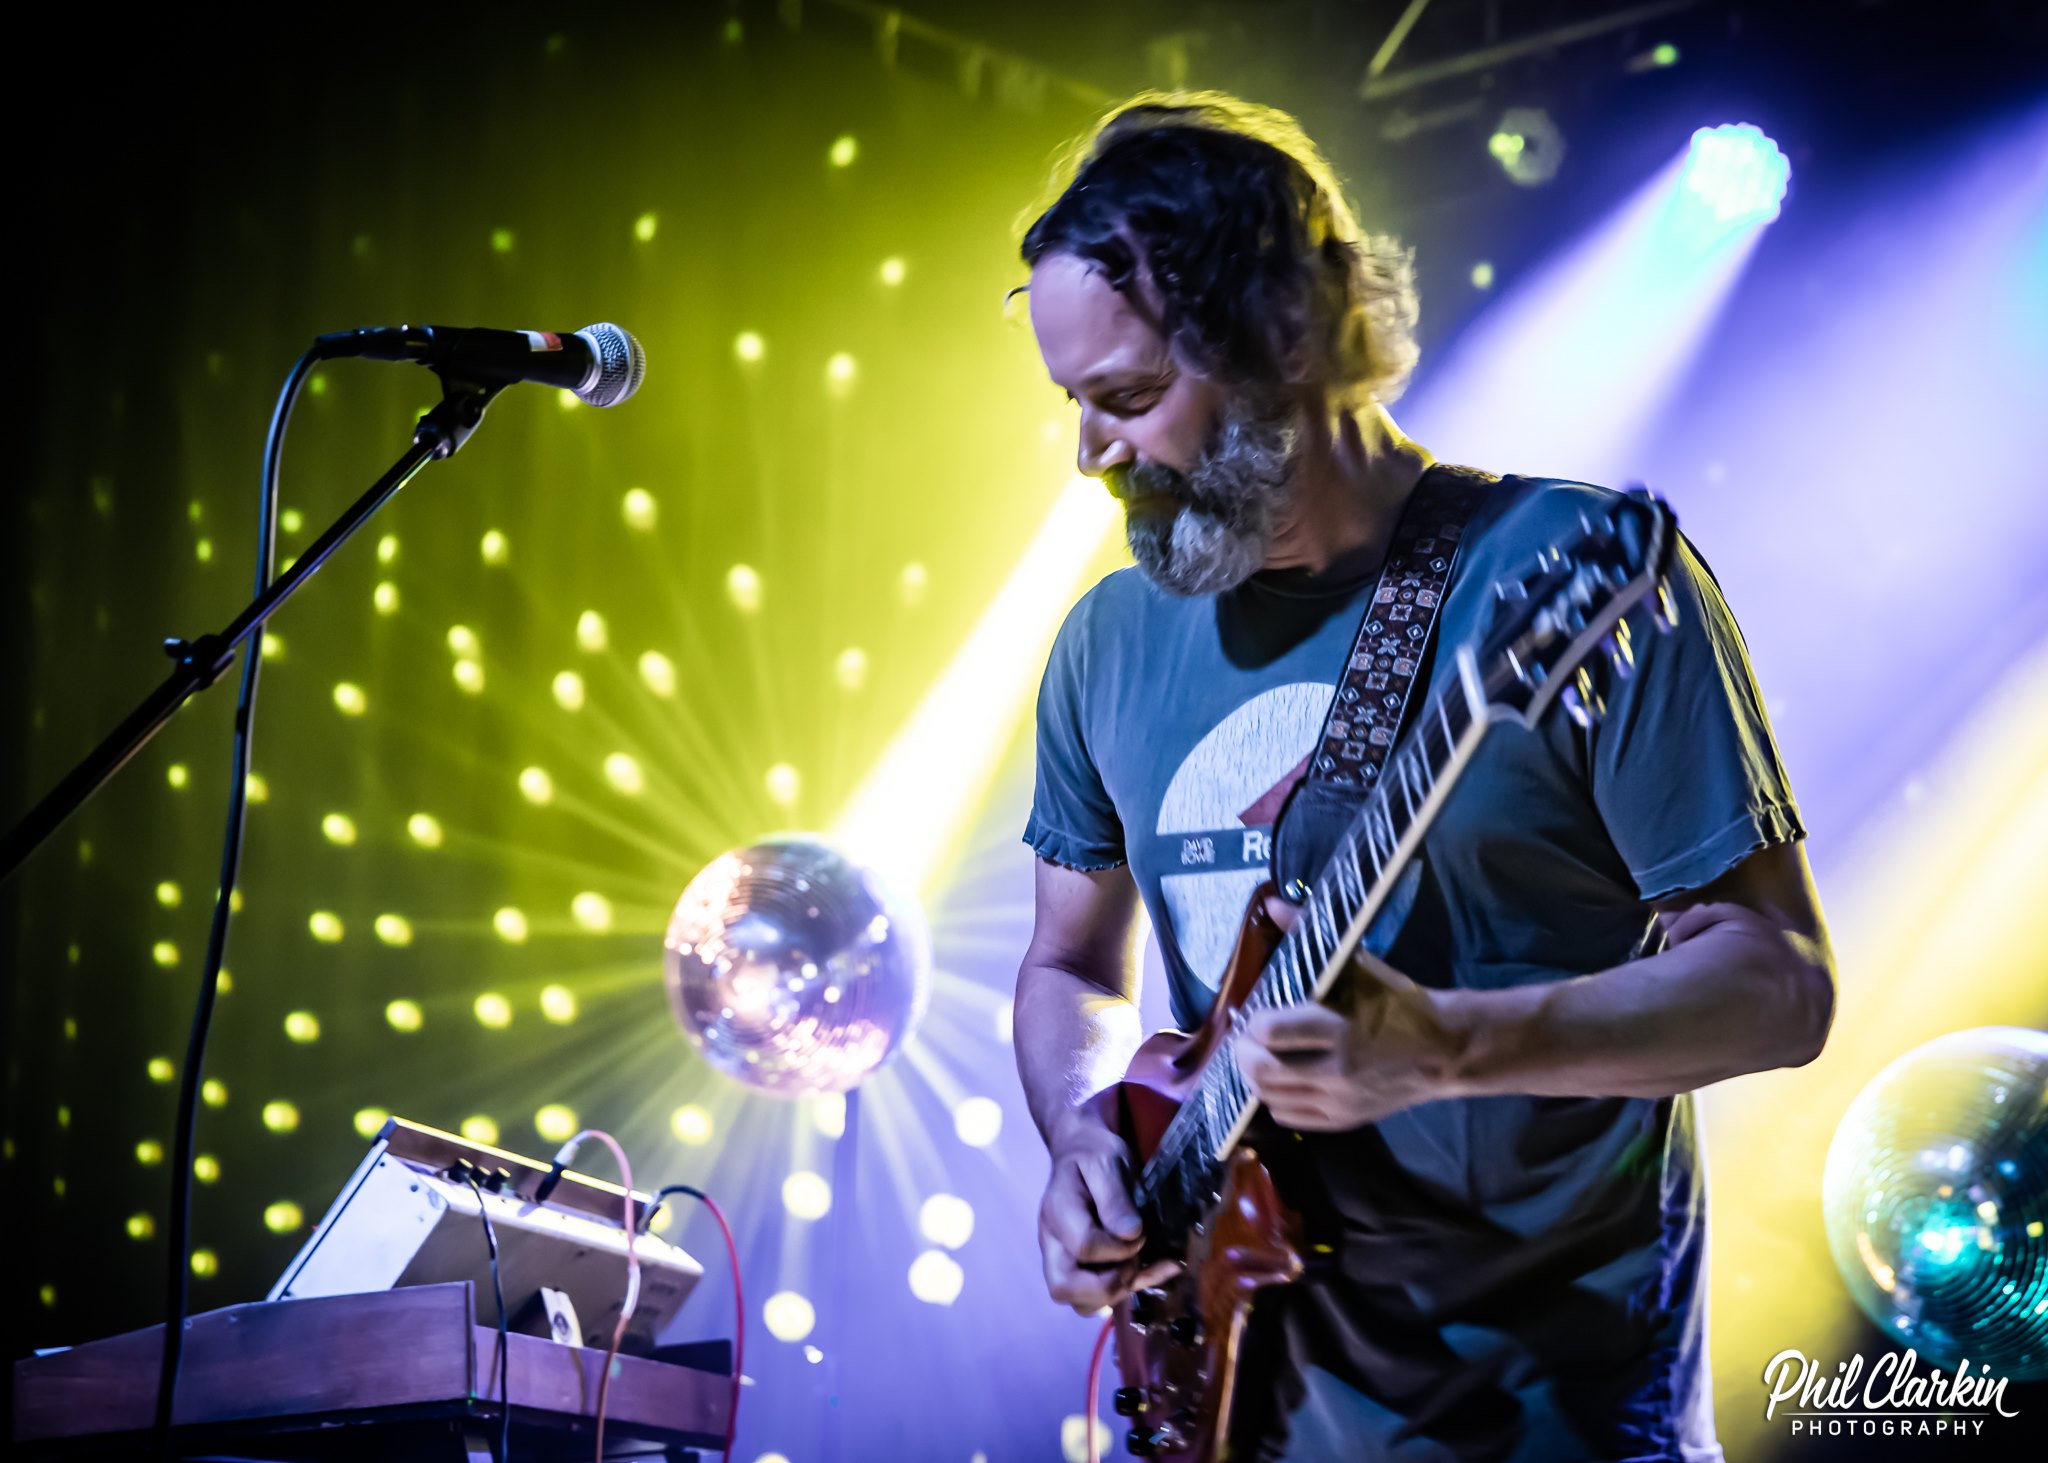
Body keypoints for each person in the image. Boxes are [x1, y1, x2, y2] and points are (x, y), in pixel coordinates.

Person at [1009, 92, 1836, 1462]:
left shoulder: (1552, 574)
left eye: (1131, 398)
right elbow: (1068, 965)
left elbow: (1780, 984)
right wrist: (1085, 1133)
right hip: (1239, 1408)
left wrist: (1450, 1045)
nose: (1091, 453)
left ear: (1287, 334)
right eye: (1074, 404)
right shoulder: (1105, 642)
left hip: (1553, 1421)